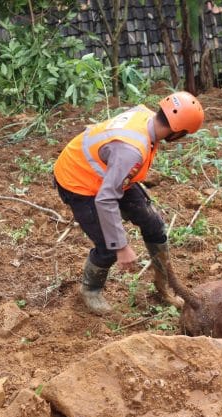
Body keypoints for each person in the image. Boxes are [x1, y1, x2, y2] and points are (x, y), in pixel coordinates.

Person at [53, 92, 204, 315]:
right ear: (177, 132)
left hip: (112, 174)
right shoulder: (131, 150)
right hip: (79, 181)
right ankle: (90, 291)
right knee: (108, 247)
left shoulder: (145, 115)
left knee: (154, 225)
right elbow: (105, 199)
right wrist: (122, 247)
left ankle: (163, 285)